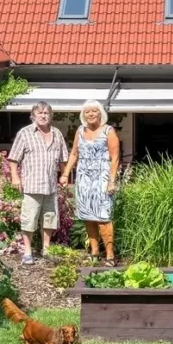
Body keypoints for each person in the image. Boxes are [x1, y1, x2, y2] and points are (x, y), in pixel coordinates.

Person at [60, 100, 120, 266]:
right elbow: (74, 154)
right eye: (88, 112)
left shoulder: (108, 131)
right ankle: (94, 251)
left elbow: (115, 158)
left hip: (102, 179)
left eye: (94, 111)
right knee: (88, 216)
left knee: (103, 218)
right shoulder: (80, 131)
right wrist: (65, 174)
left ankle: (109, 255)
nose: (91, 114)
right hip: (84, 180)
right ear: (83, 115)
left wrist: (111, 181)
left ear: (100, 113)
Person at [8, 101, 68, 266]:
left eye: (46, 113)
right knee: (29, 219)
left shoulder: (57, 134)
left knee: (49, 218)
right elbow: (14, 158)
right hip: (32, 185)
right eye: (39, 113)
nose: (43, 116)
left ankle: (46, 250)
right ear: (33, 115)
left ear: (51, 116)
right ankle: (28, 252)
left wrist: (65, 174)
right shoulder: (25, 133)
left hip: (50, 186)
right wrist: (15, 177)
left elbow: (63, 158)